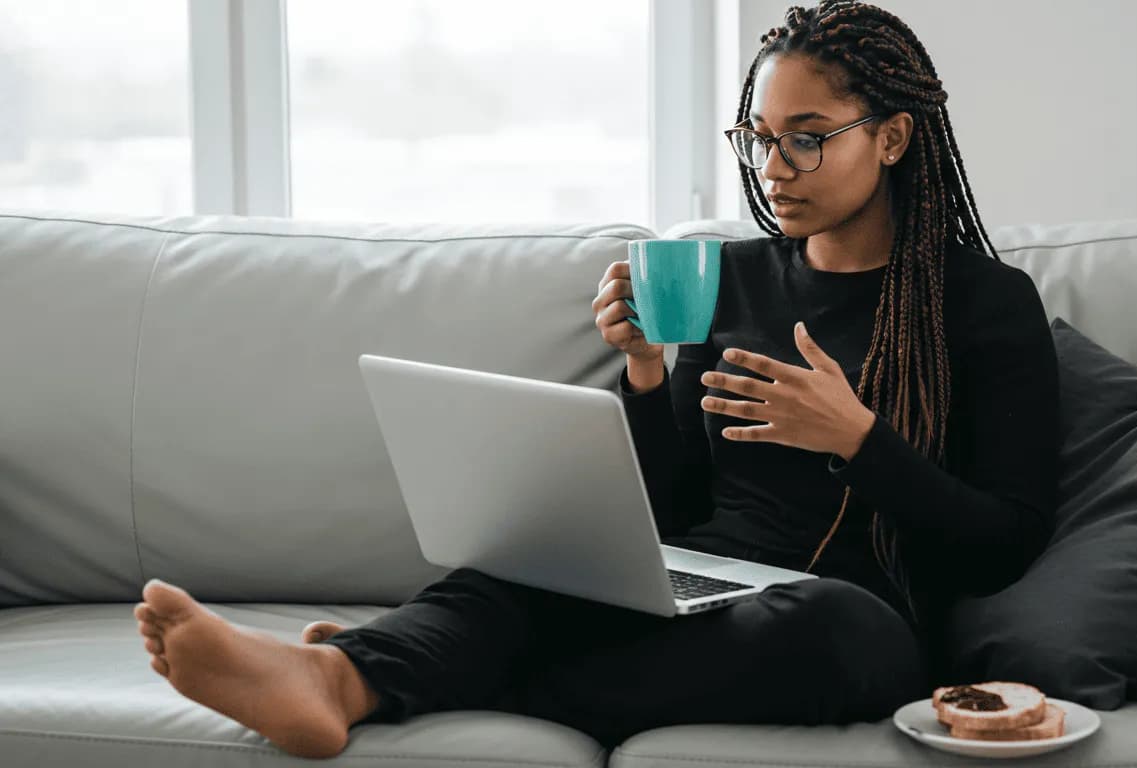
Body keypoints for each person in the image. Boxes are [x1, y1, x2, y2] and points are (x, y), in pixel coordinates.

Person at [129, 0, 1059, 759]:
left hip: (849, 614)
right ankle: (334, 681)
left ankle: (383, 675)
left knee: (814, 630)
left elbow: (1006, 543)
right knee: (524, 569)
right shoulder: (726, 277)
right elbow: (675, 504)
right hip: (700, 577)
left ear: (893, 138)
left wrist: (858, 441)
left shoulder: (982, 302)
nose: (774, 169)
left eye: (808, 138)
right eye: (759, 136)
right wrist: (646, 375)